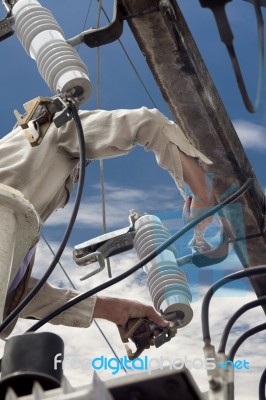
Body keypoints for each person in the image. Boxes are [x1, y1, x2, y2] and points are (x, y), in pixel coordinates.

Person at [0, 106, 215, 338]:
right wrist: (203, 194)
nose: (76, 178)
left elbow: (15, 296)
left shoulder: (18, 231)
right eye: (74, 177)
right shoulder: (51, 128)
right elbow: (147, 123)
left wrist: (109, 308)